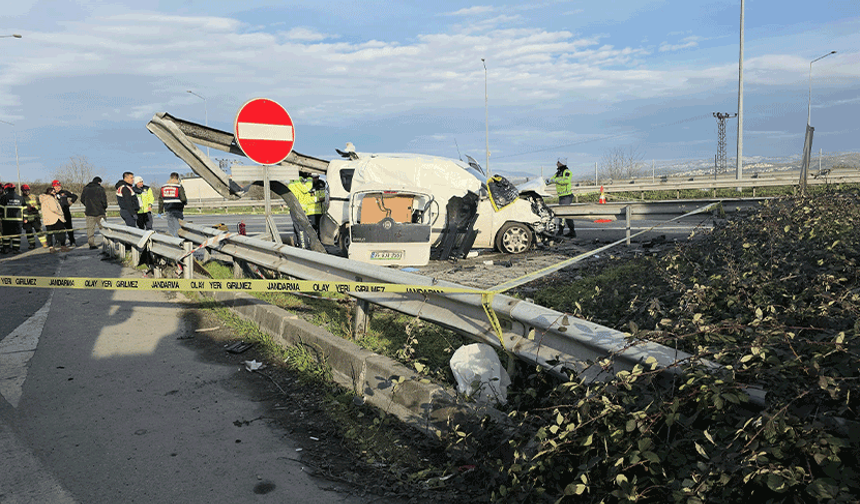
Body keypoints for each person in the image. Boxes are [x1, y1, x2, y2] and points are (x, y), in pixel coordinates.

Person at [286, 175, 323, 248]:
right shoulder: (300, 185)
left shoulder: (291, 184)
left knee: (297, 228)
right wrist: (309, 179)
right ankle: (303, 247)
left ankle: (298, 245)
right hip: (300, 209)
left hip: (295, 208)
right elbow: (306, 189)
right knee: (301, 229)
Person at [548, 157, 575, 238]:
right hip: (561, 196)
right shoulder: (558, 173)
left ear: (562, 163)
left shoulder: (567, 172)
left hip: (566, 196)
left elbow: (566, 181)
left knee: (562, 214)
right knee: (566, 215)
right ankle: (572, 232)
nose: (556, 164)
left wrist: (555, 180)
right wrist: (544, 182)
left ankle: (561, 231)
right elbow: (551, 180)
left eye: (558, 162)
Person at [80, 176, 108, 249]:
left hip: (89, 212)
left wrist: (87, 205)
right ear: (99, 182)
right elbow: (104, 200)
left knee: (90, 229)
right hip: (100, 212)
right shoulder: (100, 189)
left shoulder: (86, 188)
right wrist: (104, 207)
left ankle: (91, 244)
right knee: (103, 228)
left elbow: (82, 199)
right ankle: (106, 243)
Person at [40, 186, 70, 253]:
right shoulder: (50, 199)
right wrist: (61, 213)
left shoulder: (44, 199)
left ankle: (51, 247)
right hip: (55, 218)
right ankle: (63, 246)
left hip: (47, 220)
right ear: (50, 192)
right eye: (54, 192)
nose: (55, 193)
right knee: (61, 233)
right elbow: (54, 209)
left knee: (49, 234)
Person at [158, 172, 187, 237]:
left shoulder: (163, 187)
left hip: (168, 209)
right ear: (177, 178)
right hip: (177, 209)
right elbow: (183, 199)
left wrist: (160, 211)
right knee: (178, 226)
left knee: (171, 226)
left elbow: (160, 200)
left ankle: (173, 239)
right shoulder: (178, 187)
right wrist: (185, 203)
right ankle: (178, 240)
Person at [52, 180, 78, 247]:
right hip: (57, 214)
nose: (58, 188)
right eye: (56, 186)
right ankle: (59, 242)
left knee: (69, 227)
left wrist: (70, 202)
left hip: (66, 212)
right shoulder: (51, 194)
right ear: (53, 187)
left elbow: (75, 196)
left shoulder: (64, 192)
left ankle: (72, 241)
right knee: (58, 229)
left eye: (59, 186)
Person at [0, 183, 24, 254]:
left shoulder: (4, 198)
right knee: (16, 236)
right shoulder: (20, 198)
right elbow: (25, 209)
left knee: (6, 235)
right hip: (18, 221)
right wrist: (25, 218)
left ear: (6, 190)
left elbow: (1, 209)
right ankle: (16, 249)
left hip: (6, 220)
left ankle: (6, 249)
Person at [21, 184, 45, 250]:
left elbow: (40, 206)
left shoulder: (34, 197)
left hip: (35, 217)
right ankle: (32, 244)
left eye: (28, 190)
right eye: (25, 191)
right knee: (29, 232)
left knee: (39, 230)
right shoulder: (21, 198)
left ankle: (44, 243)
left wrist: (34, 207)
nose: (27, 192)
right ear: (22, 191)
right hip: (27, 218)